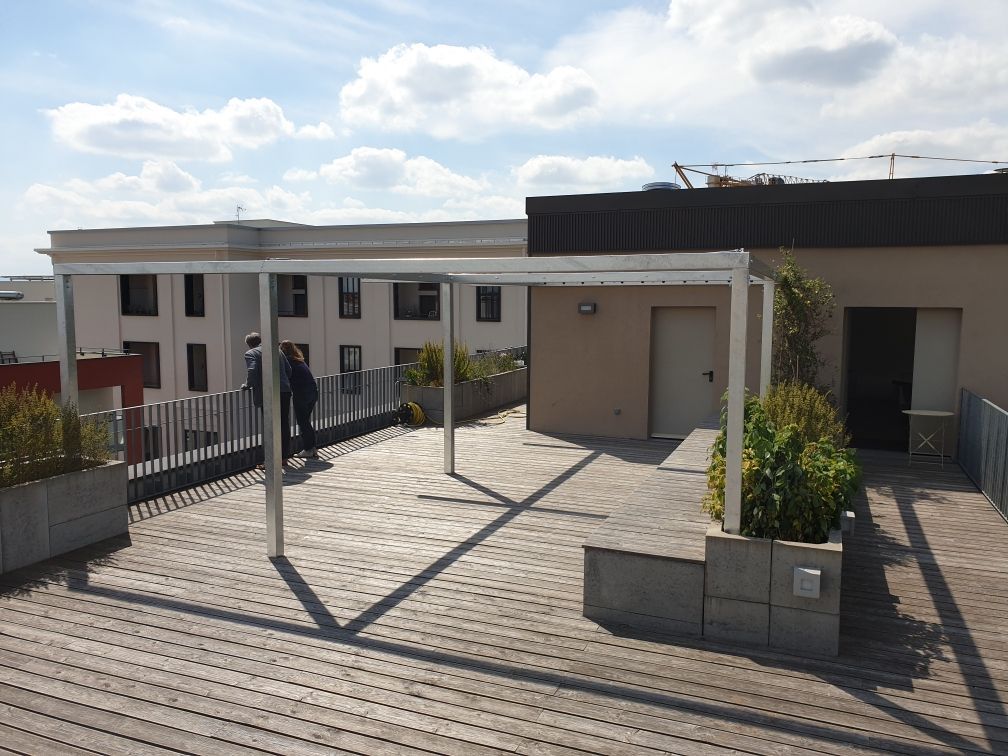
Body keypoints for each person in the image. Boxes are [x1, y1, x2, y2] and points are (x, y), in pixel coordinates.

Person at [241, 332, 293, 469]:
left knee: (270, 427)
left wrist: (247, 385)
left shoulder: (251, 353)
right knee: (283, 424)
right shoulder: (276, 350)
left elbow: (252, 370)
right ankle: (283, 458)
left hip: (269, 394)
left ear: (249, 344)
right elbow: (289, 370)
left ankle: (270, 461)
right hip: (284, 391)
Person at [281, 340, 319, 459]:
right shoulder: (299, 360)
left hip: (301, 393)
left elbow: (286, 376)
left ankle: (308, 449)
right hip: (312, 391)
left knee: (303, 422)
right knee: (305, 421)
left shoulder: (287, 361)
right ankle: (312, 448)